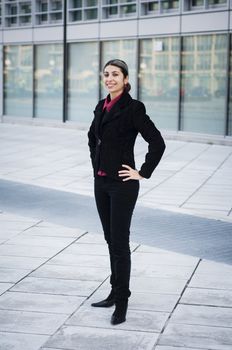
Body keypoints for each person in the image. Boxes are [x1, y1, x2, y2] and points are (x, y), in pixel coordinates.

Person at [88, 59, 165, 325]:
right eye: (106, 74)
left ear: (125, 78)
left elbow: (157, 141)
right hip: (102, 184)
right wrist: (97, 164)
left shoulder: (133, 108)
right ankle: (113, 291)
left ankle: (121, 302)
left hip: (122, 186)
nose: (110, 78)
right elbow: (92, 137)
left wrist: (142, 172)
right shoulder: (101, 105)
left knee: (120, 244)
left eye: (115, 75)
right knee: (111, 240)